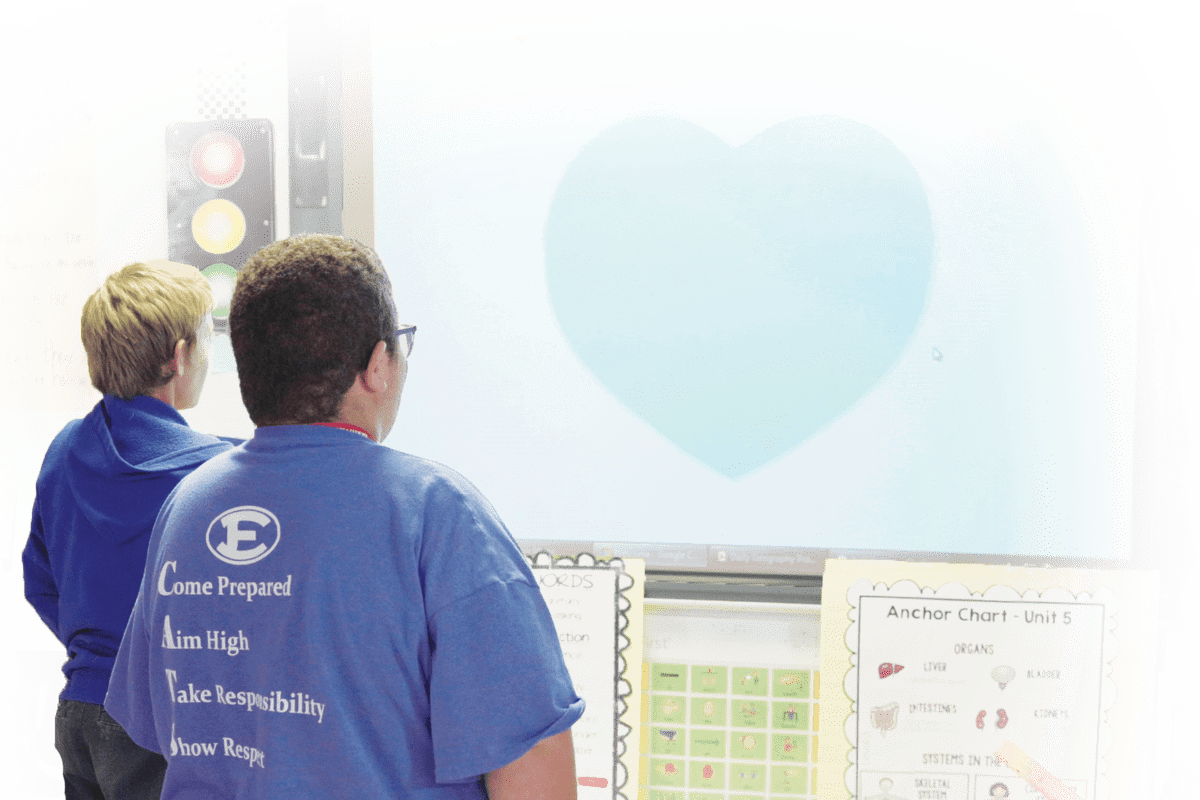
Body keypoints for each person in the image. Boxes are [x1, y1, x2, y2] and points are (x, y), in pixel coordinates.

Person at [104, 234, 584, 798]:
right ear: (378, 365)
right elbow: (531, 754)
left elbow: (160, 727)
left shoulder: (188, 507)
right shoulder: (437, 512)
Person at [22, 259, 233, 799]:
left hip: (80, 713)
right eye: (209, 339)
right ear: (180, 356)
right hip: (157, 719)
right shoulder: (215, 472)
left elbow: (40, 581)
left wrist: (99, 651)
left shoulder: (66, 449)